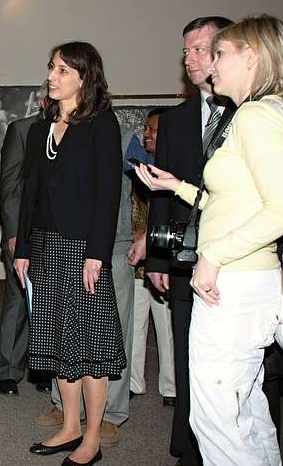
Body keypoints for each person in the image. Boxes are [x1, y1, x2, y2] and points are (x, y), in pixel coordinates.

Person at [135, 14, 283, 466]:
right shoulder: (269, 111)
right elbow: (235, 199)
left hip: (233, 285)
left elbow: (282, 208)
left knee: (218, 422)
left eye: (219, 53)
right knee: (247, 412)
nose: (208, 64)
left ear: (251, 57)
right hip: (246, 281)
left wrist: (213, 256)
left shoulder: (255, 115)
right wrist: (177, 187)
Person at [14, 41, 125, 466]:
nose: (51, 76)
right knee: (60, 340)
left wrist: (96, 253)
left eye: (62, 70)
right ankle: (70, 425)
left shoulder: (101, 123)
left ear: (84, 76)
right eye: (51, 67)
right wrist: (23, 247)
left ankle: (92, 437)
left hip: (82, 249)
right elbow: (29, 193)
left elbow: (108, 193)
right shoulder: (40, 129)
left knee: (90, 344)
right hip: (44, 247)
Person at [146, 15, 234, 466]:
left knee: (236, 370)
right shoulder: (175, 119)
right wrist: (157, 259)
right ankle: (188, 448)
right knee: (185, 356)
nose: (190, 58)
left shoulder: (251, 111)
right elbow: (161, 192)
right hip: (182, 257)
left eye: (199, 48)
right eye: (186, 50)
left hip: (237, 259)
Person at [126, 109, 177, 405]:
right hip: (135, 261)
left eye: (153, 129)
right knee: (134, 325)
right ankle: (134, 382)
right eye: (146, 128)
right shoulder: (135, 169)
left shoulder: (175, 172)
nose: (147, 134)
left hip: (163, 262)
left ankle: (171, 388)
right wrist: (132, 233)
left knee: (166, 326)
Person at [0, 97, 41, 396]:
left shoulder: (74, 128)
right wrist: (13, 234)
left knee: (51, 304)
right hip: (23, 234)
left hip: (57, 234)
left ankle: (44, 368)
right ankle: (8, 370)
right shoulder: (22, 129)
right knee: (18, 300)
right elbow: (9, 185)